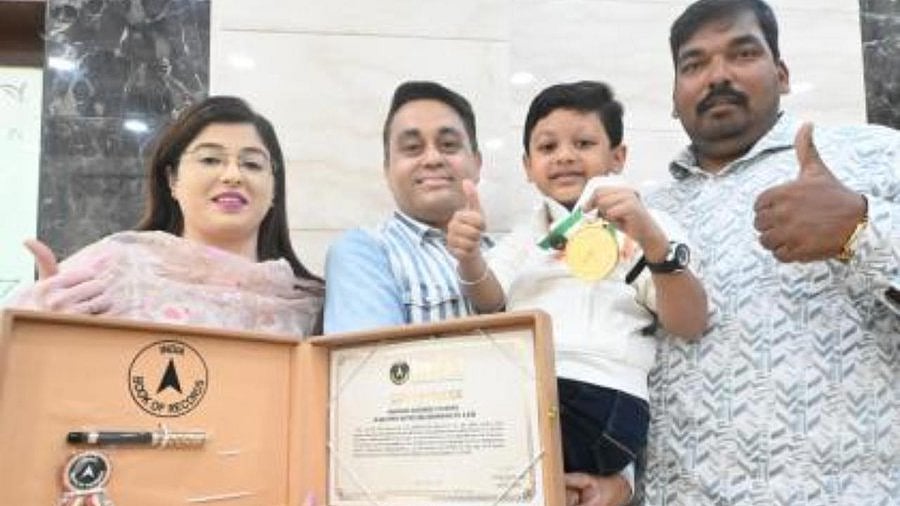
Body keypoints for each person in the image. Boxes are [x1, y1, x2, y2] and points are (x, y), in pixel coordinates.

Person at [325, 81, 635, 506]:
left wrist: (620, 480)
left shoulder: (524, 252)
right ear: (387, 168)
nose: (432, 157)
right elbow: (373, 407)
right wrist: (518, 478)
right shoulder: (365, 252)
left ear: (476, 162)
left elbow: (596, 353)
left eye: (448, 144)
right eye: (412, 148)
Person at [641, 0, 900, 503]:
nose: (717, 76)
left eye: (742, 54)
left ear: (781, 74)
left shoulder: (872, 154)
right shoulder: (646, 212)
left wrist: (861, 228)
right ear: (673, 97)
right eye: (694, 65)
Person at [446, 81, 708, 504]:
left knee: (482, 432)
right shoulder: (525, 237)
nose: (565, 155)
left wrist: (654, 243)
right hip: (539, 397)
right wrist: (469, 257)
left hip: (604, 399)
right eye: (548, 148)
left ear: (618, 157)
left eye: (583, 143)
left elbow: (691, 322)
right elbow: (490, 302)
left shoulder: (646, 225)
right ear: (528, 166)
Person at [11, 96, 324, 336]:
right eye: (211, 159)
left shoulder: (314, 307)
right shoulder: (113, 268)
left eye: (252, 164)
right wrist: (35, 328)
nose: (233, 175)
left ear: (273, 189)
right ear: (172, 180)